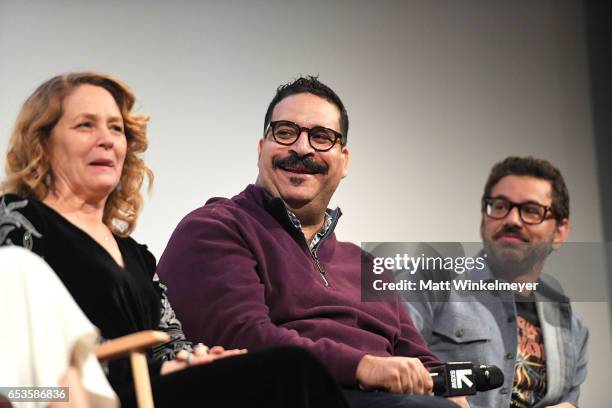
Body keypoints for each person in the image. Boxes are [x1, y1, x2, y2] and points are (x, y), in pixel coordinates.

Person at [0, 72, 349, 408]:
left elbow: (168, 342)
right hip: (84, 392)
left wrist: (192, 357)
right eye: (85, 125)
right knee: (291, 371)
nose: (106, 139)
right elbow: (20, 353)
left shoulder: (134, 254)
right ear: (42, 142)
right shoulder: (20, 219)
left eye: (116, 128)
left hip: (151, 387)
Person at [157, 75, 465, 408]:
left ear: (344, 160)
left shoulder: (365, 265)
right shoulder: (216, 227)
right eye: (286, 132)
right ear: (262, 149)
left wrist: (449, 390)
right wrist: (363, 366)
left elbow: (419, 358)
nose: (302, 149)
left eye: (321, 137)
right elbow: (245, 340)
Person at [403, 157, 588, 408]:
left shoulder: (572, 326)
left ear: (560, 232)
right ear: (483, 221)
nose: (512, 220)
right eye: (500, 206)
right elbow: (394, 366)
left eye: (531, 211)